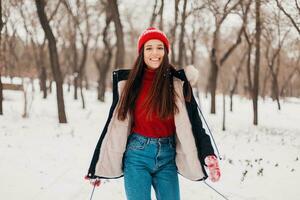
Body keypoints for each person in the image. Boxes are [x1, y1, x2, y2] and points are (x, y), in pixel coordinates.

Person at [85, 27, 221, 200]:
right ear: (142, 53)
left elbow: (195, 124)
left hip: (167, 158)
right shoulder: (129, 84)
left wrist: (208, 153)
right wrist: (96, 169)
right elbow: (112, 127)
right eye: (149, 48)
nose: (154, 53)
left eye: (159, 47)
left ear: (166, 51)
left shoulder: (178, 84)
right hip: (137, 156)